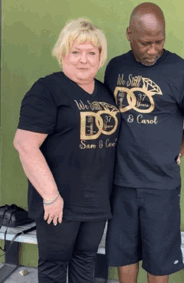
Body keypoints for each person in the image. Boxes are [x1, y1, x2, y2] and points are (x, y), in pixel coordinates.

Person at [104, 3, 184, 283]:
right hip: (121, 181)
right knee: (123, 253)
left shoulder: (183, 72)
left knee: (158, 259)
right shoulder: (115, 67)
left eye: (159, 41)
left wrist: (179, 151)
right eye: (145, 43)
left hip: (161, 184)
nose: (152, 50)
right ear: (129, 34)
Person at [13, 18, 120, 283]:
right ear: (62, 54)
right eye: (75, 52)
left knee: (86, 265)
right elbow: (25, 145)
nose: (83, 60)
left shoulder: (105, 93)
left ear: (100, 57)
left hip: (96, 203)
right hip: (59, 204)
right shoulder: (48, 90)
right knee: (54, 268)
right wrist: (51, 197)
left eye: (91, 53)